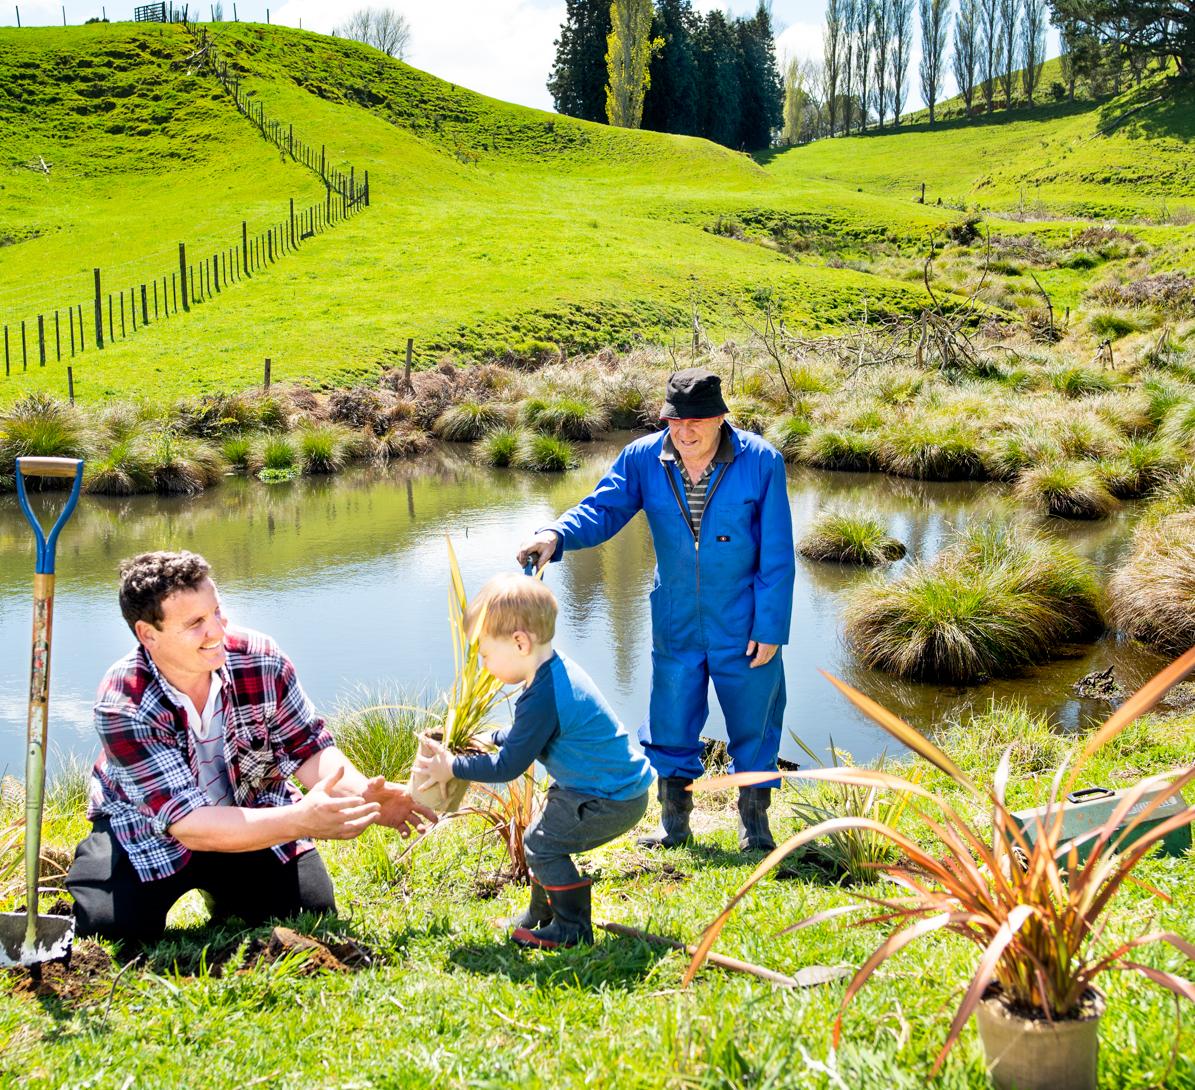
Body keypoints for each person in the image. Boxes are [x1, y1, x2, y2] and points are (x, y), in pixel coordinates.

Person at [66, 549, 422, 950]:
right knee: (108, 928)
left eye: (216, 611)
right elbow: (187, 824)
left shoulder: (260, 658)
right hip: (148, 831)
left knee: (309, 912)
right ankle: (98, 873)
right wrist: (302, 819)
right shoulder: (124, 702)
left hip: (252, 814)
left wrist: (362, 795)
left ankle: (224, 891)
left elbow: (308, 748)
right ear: (148, 634)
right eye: (196, 623)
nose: (217, 630)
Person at [514, 367, 795, 854]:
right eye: (674, 421)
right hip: (676, 619)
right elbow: (602, 509)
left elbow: (777, 554)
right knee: (670, 721)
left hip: (744, 621)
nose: (684, 431)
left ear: (722, 418)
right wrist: (554, 534)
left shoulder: (761, 461)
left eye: (697, 421)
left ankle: (756, 831)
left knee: (755, 725)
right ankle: (675, 828)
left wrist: (771, 626)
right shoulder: (644, 459)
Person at [412, 571, 653, 949]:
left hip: (611, 797)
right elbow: (525, 736)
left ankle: (572, 929)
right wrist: (487, 738)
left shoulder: (544, 694)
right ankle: (541, 915)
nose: (484, 665)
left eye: (486, 654)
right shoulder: (552, 675)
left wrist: (451, 766)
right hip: (605, 787)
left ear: (519, 643)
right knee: (540, 836)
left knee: (541, 844)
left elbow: (508, 766)